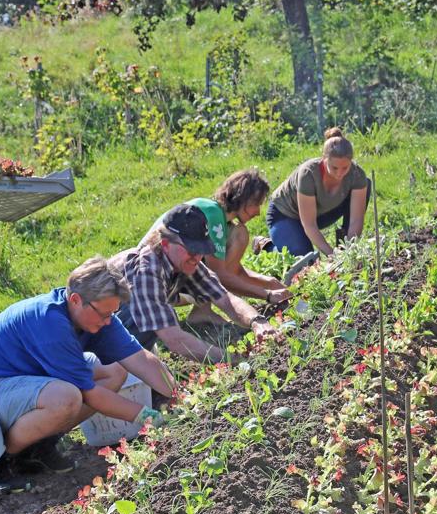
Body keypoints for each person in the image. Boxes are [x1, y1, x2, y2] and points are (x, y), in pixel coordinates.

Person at [0, 256, 176, 490]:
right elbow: (90, 394)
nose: (108, 321)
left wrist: (180, 399)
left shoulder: (97, 318)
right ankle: (5, 459)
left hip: (13, 385)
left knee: (114, 371)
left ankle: (40, 444)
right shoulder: (50, 322)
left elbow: (141, 359)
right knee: (66, 397)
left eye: (112, 314)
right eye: (104, 314)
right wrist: (150, 418)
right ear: (75, 300)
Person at [112, 204, 282, 363]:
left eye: (202, 250)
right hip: (93, 339)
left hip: (116, 332)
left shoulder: (185, 261)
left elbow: (225, 299)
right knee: (158, 317)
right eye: (192, 249)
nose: (197, 257)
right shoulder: (146, 271)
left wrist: (257, 321)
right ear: (165, 244)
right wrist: (233, 359)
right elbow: (174, 339)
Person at [147, 169, 293, 321]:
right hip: (157, 283)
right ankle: (202, 311)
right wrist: (267, 295)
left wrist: (271, 283)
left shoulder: (218, 215)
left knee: (240, 232)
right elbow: (219, 275)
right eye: (256, 204)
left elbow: (234, 271)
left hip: (167, 279)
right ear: (242, 198)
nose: (257, 212)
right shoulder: (214, 214)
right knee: (240, 235)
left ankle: (201, 310)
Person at [263, 127, 371, 257]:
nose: (339, 173)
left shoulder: (356, 174)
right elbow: (309, 224)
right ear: (324, 159)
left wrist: (348, 254)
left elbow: (356, 220)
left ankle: (344, 246)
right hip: (286, 214)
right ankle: (266, 246)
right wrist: (331, 255)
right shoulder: (308, 174)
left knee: (366, 183)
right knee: (303, 258)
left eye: (345, 167)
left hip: (320, 213)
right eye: (334, 167)